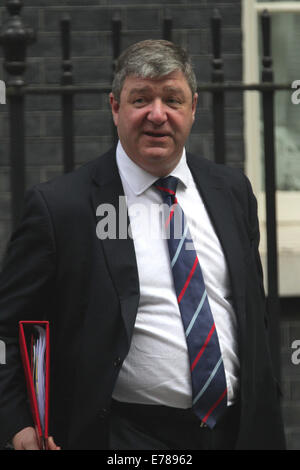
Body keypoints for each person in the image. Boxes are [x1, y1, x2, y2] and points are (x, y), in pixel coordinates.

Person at [0, 39, 285, 450]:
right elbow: (9, 327)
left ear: (193, 107)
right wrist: (17, 423)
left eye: (172, 99)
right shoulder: (62, 207)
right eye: (141, 99)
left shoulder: (231, 191)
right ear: (115, 107)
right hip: (128, 436)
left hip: (236, 430)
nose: (157, 114)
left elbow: (249, 310)